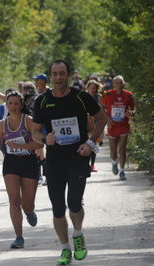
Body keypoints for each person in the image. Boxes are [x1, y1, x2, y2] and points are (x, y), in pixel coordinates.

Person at [32, 59, 108, 265]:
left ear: (68, 75)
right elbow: (35, 130)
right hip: (54, 159)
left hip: (77, 157)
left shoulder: (81, 97)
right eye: (54, 74)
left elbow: (102, 118)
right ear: (50, 76)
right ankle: (65, 248)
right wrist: (44, 139)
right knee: (57, 207)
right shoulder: (41, 101)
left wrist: (90, 144)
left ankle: (78, 234)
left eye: (61, 73)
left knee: (74, 203)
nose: (58, 77)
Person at [0, 91, 43, 249]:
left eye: (16, 104)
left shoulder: (28, 121)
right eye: (10, 104)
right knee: (14, 201)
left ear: (21, 105)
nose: (13, 107)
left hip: (29, 162)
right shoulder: (1, 124)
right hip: (11, 163)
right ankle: (19, 237)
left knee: (27, 204)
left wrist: (20, 146)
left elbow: (40, 145)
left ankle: (29, 212)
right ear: (6, 105)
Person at [102, 75, 135, 180]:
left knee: (122, 149)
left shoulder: (128, 95)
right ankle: (114, 162)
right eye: (117, 83)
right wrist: (108, 120)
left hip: (124, 125)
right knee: (113, 151)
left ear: (123, 84)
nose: (119, 85)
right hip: (112, 126)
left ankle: (122, 171)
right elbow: (103, 109)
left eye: (121, 83)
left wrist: (130, 112)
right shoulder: (108, 95)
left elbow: (133, 110)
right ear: (113, 84)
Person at [33, 73, 50, 185]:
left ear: (43, 82)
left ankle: (48, 175)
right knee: (38, 149)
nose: (35, 82)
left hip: (49, 124)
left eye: (37, 80)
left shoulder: (50, 92)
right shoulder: (35, 93)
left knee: (50, 150)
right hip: (38, 124)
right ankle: (40, 175)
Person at [85, 80, 104, 172]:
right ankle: (86, 164)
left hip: (96, 122)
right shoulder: (84, 96)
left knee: (94, 143)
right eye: (90, 88)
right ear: (87, 88)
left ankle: (92, 164)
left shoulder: (98, 97)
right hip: (86, 122)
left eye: (94, 88)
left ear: (96, 89)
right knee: (86, 142)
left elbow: (102, 109)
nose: (92, 90)